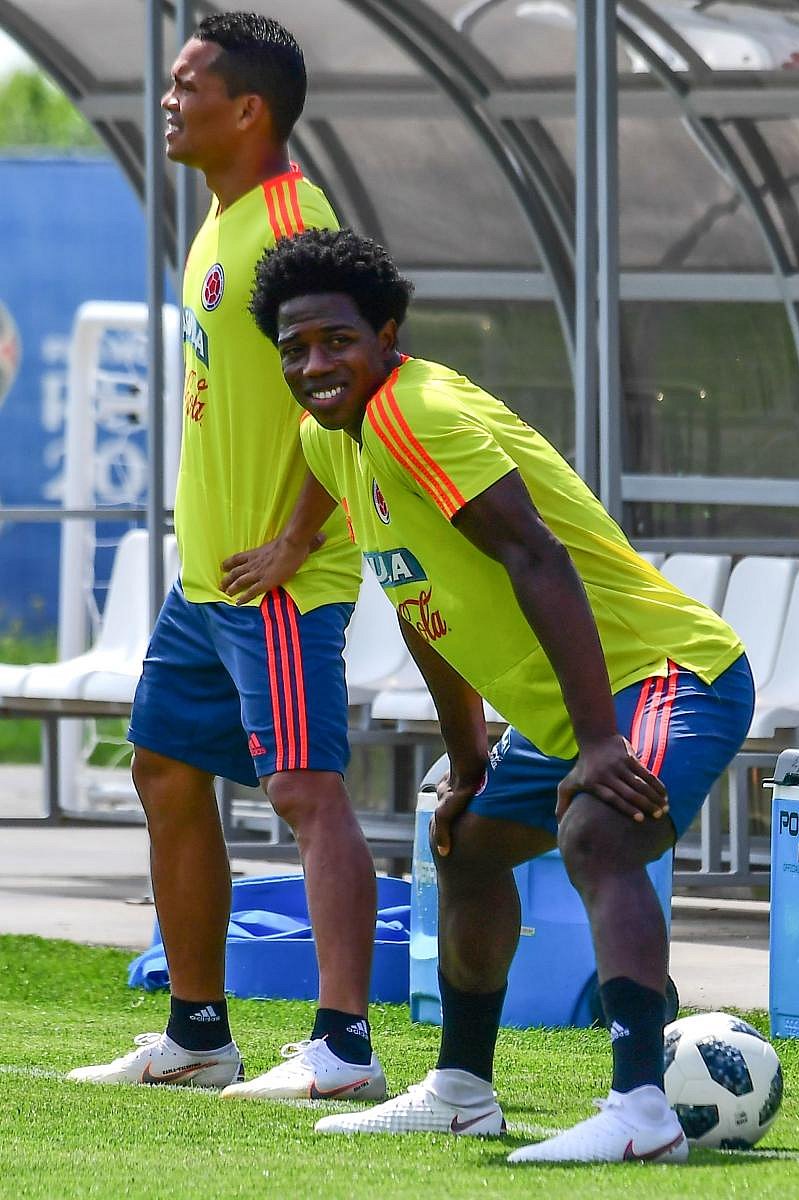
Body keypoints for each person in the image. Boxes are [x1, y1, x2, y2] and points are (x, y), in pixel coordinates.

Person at [244, 226, 755, 1162]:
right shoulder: (334, 441)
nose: (314, 365)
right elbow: (417, 602)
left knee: (595, 831)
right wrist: (470, 758)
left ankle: (641, 1113)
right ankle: (460, 1092)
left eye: (336, 341)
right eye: (294, 349)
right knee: (469, 849)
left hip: (670, 673)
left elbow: (536, 555)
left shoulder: (415, 412)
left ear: (387, 334)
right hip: (574, 707)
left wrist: (600, 745)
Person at [67, 15, 387, 1103]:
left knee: (305, 788)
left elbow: (362, 379)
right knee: (161, 764)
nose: (168, 101)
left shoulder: (296, 224)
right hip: (203, 581)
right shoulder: (219, 222)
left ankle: (343, 1046)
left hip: (281, 582)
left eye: (186, 84)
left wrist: (298, 537)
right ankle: (198, 1032)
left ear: (247, 108)